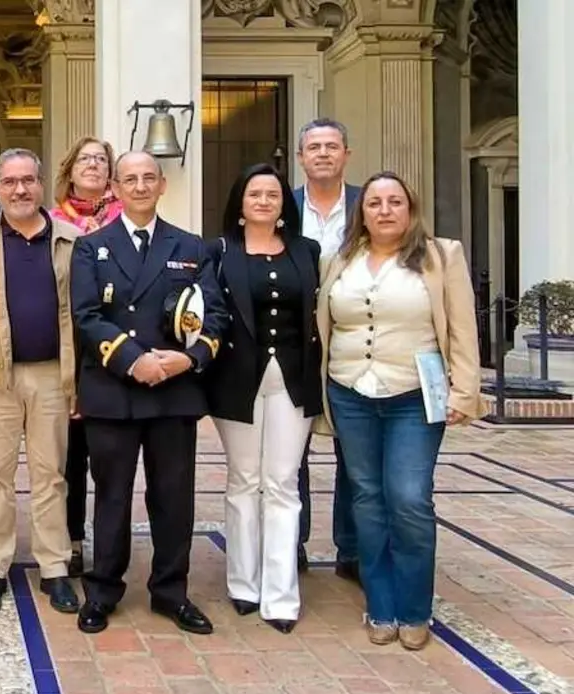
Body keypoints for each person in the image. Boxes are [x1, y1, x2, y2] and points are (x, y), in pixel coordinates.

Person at [319, 171, 484, 650]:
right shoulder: (339, 260)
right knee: (367, 499)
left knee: (409, 497)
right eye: (375, 202)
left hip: (414, 394)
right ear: (362, 212)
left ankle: (414, 608)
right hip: (351, 392)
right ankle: (381, 603)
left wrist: (464, 391)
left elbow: (462, 329)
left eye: (395, 201)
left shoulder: (439, 257)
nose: (385, 210)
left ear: (410, 210)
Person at [70, 150, 227, 635]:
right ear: (114, 187)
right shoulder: (89, 247)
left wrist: (188, 358)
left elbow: (215, 315)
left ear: (162, 186)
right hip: (113, 389)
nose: (139, 186)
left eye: (148, 178)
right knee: (112, 496)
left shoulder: (192, 246)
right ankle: (102, 591)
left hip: (173, 391)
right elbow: (86, 316)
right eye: (129, 179)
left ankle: (170, 592)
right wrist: (132, 359)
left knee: (173, 498)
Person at [0, 148, 81, 615]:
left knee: (51, 477)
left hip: (51, 376)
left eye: (28, 180)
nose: (20, 190)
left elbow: (79, 319)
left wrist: (75, 384)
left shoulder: (70, 240)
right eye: (9, 182)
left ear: (42, 184)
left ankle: (54, 568)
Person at [204, 164, 321, 634]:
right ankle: (243, 583)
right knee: (244, 480)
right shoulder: (218, 252)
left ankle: (280, 593)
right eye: (255, 193)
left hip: (293, 379)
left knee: (283, 482)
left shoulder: (306, 251)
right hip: (237, 380)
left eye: (273, 194)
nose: (264, 200)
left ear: (283, 204)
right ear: (240, 202)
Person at [48, 136, 123, 576]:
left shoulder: (128, 218)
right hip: (70, 351)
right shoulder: (52, 221)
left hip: (117, 352)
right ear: (70, 169)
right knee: (69, 457)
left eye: (101, 159)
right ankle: (71, 540)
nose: (93, 165)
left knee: (111, 458)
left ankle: (110, 547)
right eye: (85, 159)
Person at [292, 118, 362, 578]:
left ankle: (353, 550)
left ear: (345, 155)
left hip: (352, 342)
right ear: (300, 158)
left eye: (331, 146)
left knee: (353, 454)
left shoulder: (368, 204)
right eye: (313, 147)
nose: (322, 154)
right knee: (289, 453)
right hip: (295, 342)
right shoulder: (282, 206)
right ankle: (290, 544)